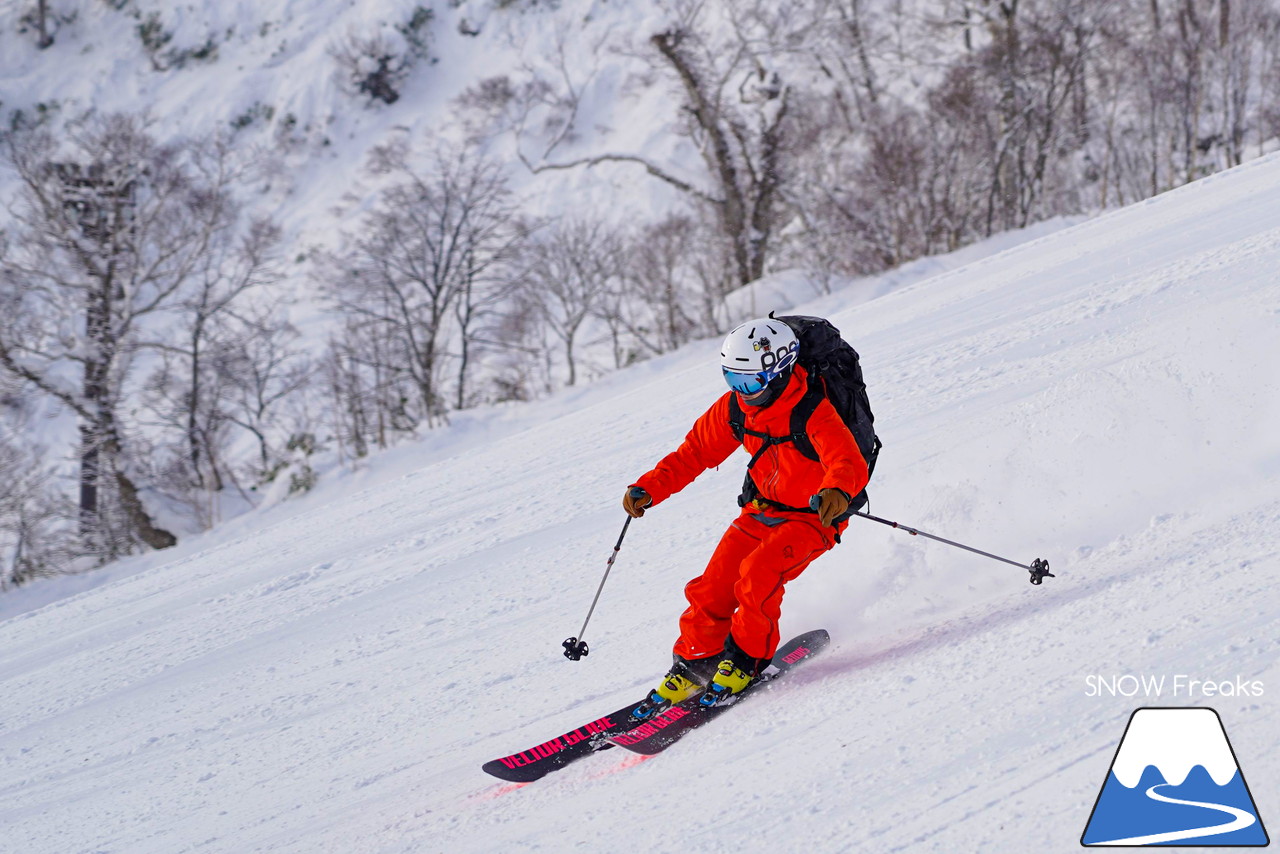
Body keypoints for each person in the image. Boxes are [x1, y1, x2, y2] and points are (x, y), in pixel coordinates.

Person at [623, 317, 869, 717]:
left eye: (750, 382)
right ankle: (695, 662)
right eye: (732, 379)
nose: (741, 391)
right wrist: (649, 487)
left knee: (758, 575)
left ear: (779, 371)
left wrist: (837, 492)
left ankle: (744, 663)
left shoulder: (813, 411)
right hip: (761, 510)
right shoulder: (735, 409)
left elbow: (846, 460)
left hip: (812, 519)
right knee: (713, 584)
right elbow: (694, 454)